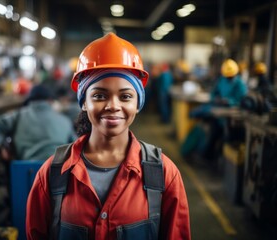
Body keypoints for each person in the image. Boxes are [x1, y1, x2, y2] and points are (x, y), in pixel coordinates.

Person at [26, 33, 190, 239]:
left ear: (137, 103)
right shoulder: (52, 174)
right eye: (99, 95)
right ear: (84, 102)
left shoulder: (164, 174)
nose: (113, 105)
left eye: (125, 96)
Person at [0, 84, 77, 161]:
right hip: (59, 175)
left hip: (25, 174)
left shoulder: (18, 116)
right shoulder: (65, 120)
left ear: (29, 101)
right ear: (51, 101)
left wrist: (2, 142)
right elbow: (77, 148)